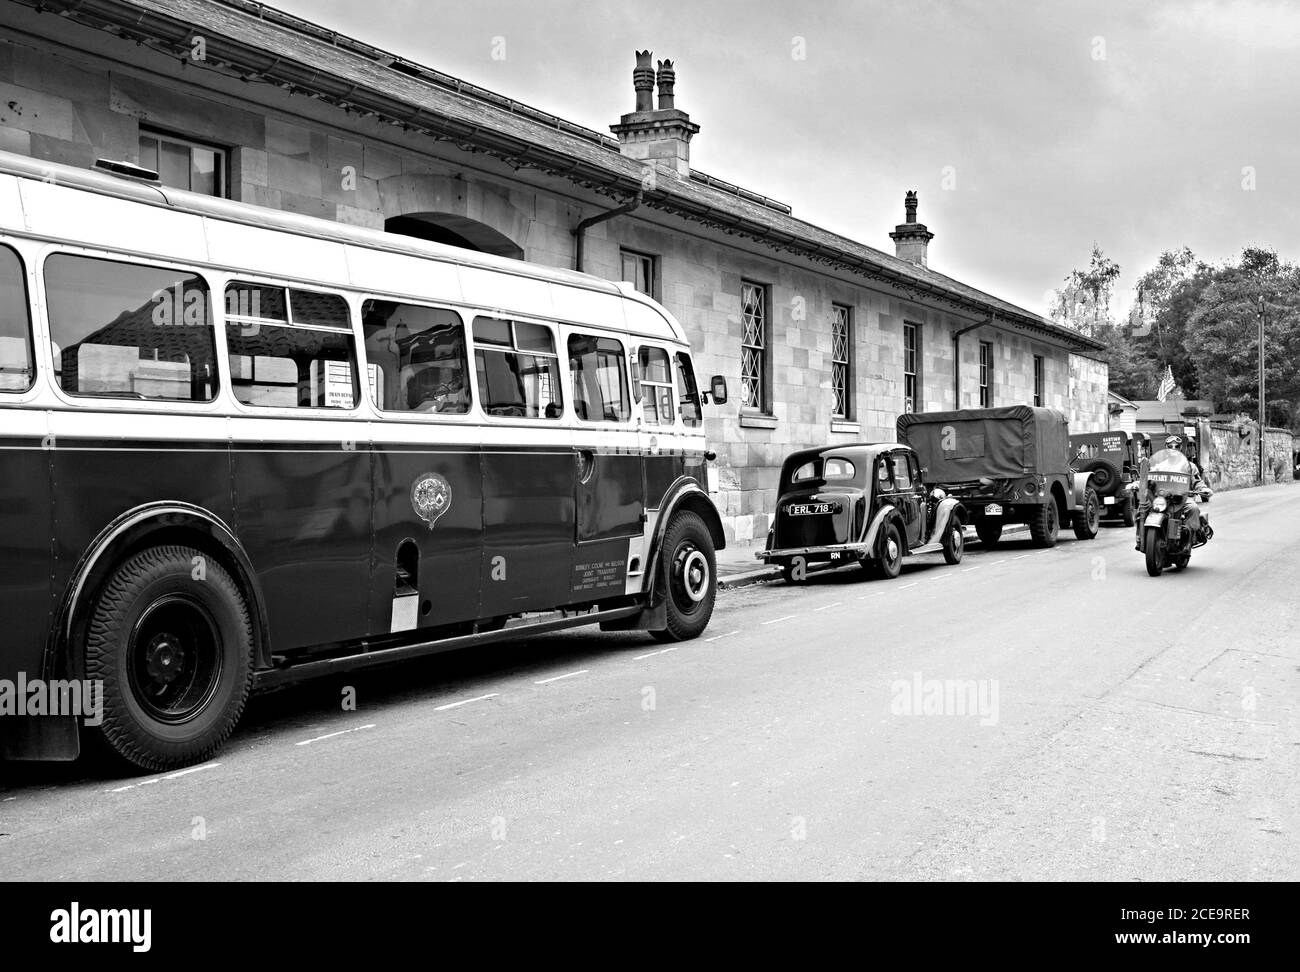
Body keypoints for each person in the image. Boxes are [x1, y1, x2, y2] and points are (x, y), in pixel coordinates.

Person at [1133, 435, 1211, 550]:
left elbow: (1196, 481)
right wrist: (1137, 484)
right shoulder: (1159, 466)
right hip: (1161, 498)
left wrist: (1203, 488)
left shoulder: (1189, 466)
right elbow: (1148, 477)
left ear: (1180, 448)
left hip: (1182, 498)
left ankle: (1188, 541)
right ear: (1166, 448)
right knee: (1142, 508)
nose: (1173, 448)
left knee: (1193, 508)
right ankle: (1141, 539)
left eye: (1176, 446)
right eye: (1170, 446)